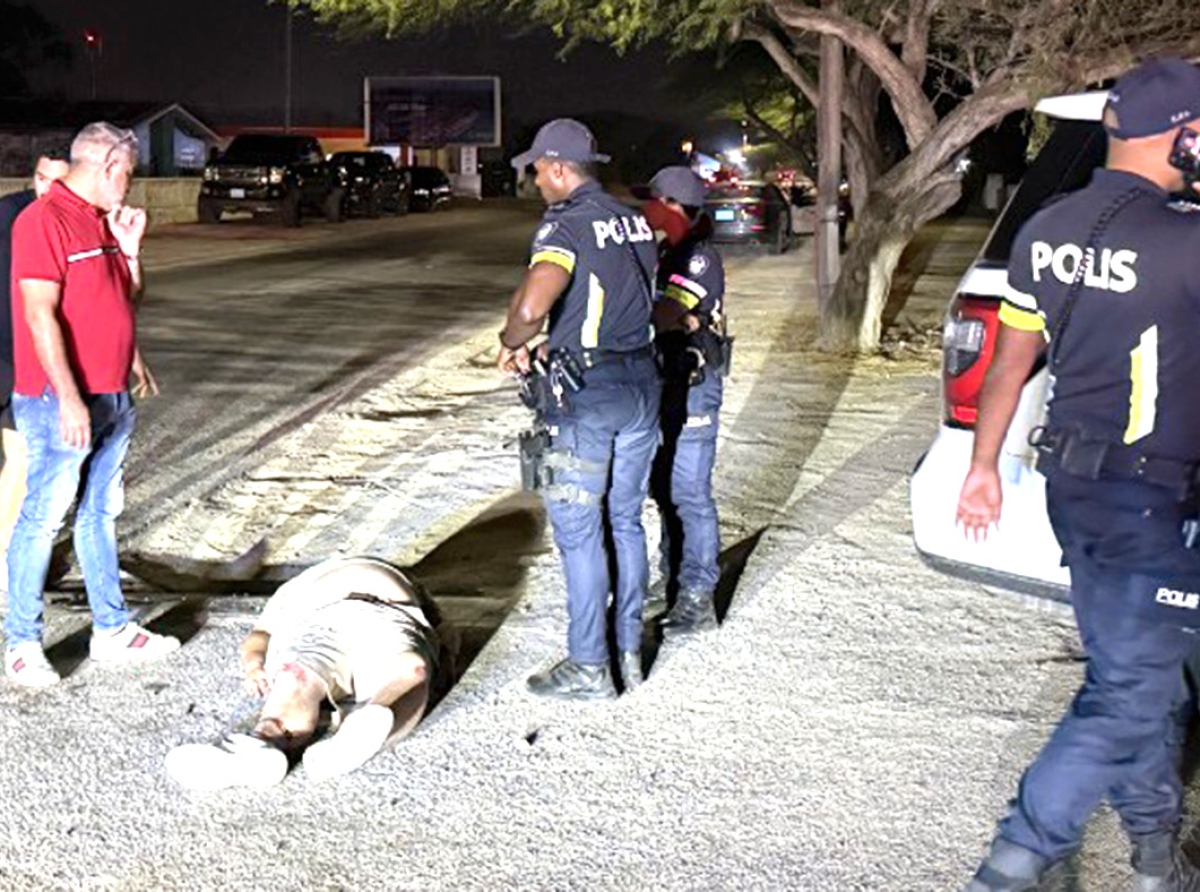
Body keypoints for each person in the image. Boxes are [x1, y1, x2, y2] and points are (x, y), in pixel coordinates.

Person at [957, 58, 1200, 891]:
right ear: (1187, 135)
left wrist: (984, 465)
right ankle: (1016, 864)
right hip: (1151, 501)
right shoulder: (1185, 238)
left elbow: (1010, 365)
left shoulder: (1048, 227)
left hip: (1080, 489)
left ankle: (1156, 856)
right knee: (1134, 692)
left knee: (1140, 676)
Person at [4, 122, 171, 688]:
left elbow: (126, 299)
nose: (131, 184)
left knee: (100, 511)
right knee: (44, 515)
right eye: (129, 172)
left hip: (111, 394)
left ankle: (112, 630)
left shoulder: (102, 222)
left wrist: (131, 252)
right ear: (108, 166)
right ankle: (22, 642)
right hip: (60, 399)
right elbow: (38, 314)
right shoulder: (42, 220)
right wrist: (69, 397)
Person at [501, 119, 661, 700]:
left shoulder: (565, 225)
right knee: (624, 520)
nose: (535, 180)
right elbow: (620, 297)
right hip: (643, 385)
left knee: (578, 530)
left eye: (538, 170)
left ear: (561, 167)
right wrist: (559, 338)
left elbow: (537, 299)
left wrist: (516, 336)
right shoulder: (634, 219)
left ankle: (590, 665)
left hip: (589, 396)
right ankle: (628, 650)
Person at [165, 556, 445, 789]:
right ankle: (269, 743)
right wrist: (253, 666)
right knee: (300, 677)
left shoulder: (294, 598)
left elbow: (258, 637)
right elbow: (259, 637)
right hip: (348, 620)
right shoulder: (300, 596)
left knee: (411, 670)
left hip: (377, 611)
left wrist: (253, 663)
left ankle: (342, 741)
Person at [640, 166, 727, 633]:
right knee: (664, 491)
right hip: (662, 382)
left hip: (693, 385)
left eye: (659, 201)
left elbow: (666, 314)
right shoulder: (660, 251)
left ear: (680, 208)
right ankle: (673, 576)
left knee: (690, 494)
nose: (652, 208)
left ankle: (698, 595)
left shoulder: (698, 259)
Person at [0, 150, 71, 559]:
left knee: (21, 455)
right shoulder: (10, 213)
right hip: (5, 353)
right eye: (42, 179)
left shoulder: (70, 223)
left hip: (24, 358)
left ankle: (8, 549)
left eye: (59, 183)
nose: (48, 190)